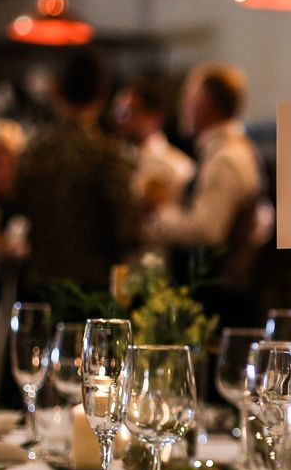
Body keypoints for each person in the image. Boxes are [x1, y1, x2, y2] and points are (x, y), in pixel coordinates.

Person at [144, 63, 267, 322]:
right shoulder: (235, 150)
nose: (182, 107)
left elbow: (208, 231)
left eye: (189, 97)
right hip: (228, 294)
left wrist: (160, 212)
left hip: (221, 300)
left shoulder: (226, 158)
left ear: (207, 103)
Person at [14, 52, 138, 292]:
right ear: (103, 93)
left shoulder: (35, 148)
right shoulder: (107, 152)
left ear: (56, 90)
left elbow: (16, 204)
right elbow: (127, 229)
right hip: (91, 286)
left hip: (40, 278)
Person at [113, 79, 194, 210]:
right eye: (117, 113)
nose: (120, 121)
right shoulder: (113, 158)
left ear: (153, 117)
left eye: (126, 112)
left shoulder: (179, 167)